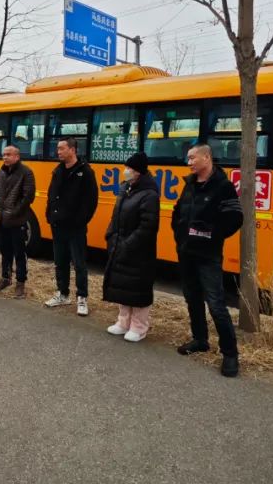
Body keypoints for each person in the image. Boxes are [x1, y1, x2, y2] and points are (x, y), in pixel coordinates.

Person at [172, 144, 243, 378]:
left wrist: (211, 234)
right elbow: (177, 212)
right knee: (192, 298)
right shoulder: (190, 185)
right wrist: (179, 235)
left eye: (192, 158)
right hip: (186, 252)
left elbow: (234, 218)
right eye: (188, 158)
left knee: (216, 304)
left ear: (206, 157)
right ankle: (200, 340)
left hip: (208, 255)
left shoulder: (223, 186)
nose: (188, 162)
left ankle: (230, 354)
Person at [103, 153, 160, 342]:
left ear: (139, 172)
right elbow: (114, 215)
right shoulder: (125, 188)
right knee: (123, 285)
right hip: (120, 243)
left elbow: (148, 226)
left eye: (130, 169)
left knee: (138, 288)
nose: (126, 171)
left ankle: (139, 327)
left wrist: (128, 244)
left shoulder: (149, 194)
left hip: (138, 250)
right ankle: (123, 322)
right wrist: (110, 236)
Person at [44, 137, 98, 316]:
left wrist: (80, 221)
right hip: (58, 225)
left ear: (72, 150)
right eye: (58, 149)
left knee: (79, 263)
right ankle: (63, 293)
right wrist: (50, 215)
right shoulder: (58, 171)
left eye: (61, 149)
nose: (58, 152)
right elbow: (51, 194)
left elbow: (91, 202)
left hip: (75, 227)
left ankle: (82, 297)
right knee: (60, 261)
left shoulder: (85, 172)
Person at [0, 145, 35, 298]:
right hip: (1, 220)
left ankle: (20, 283)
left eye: (8, 154)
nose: (5, 157)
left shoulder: (26, 172)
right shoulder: (0, 171)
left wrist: (14, 212)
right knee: (5, 251)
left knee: (20, 253)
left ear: (17, 156)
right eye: (3, 154)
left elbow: (28, 197)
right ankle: (5, 278)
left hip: (17, 221)